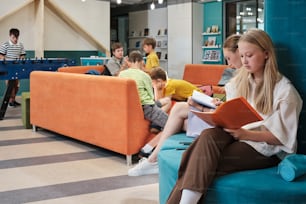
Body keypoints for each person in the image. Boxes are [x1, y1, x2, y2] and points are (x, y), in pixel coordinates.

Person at [166, 29, 303, 203]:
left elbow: (282, 138)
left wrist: (246, 135)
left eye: (249, 55)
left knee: (196, 161)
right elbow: (231, 114)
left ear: (266, 54)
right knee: (208, 136)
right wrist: (207, 109)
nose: (244, 62)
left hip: (265, 148)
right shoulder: (240, 82)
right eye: (242, 55)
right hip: (238, 135)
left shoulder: (285, 92)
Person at [128, 34, 242, 176]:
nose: (229, 64)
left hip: (227, 124)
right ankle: (151, 156)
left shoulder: (239, 82)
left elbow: (235, 113)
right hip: (218, 112)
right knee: (178, 110)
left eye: (230, 58)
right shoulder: (237, 79)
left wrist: (204, 107)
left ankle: (151, 157)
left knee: (175, 115)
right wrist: (218, 104)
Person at [118, 50, 168, 135]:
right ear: (141, 62)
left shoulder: (121, 74)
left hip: (128, 105)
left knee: (162, 105)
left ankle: (156, 125)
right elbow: (151, 97)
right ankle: (156, 126)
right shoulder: (144, 76)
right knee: (171, 121)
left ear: (129, 62)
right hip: (146, 107)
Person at [0, 28, 26, 107]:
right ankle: (10, 101)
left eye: (17, 37)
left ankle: (13, 100)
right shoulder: (5, 45)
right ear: (10, 36)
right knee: (10, 85)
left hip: (17, 67)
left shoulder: (20, 45)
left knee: (16, 85)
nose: (15, 39)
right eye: (13, 37)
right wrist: (3, 59)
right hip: (7, 67)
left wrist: (22, 58)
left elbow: (22, 55)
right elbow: (1, 55)